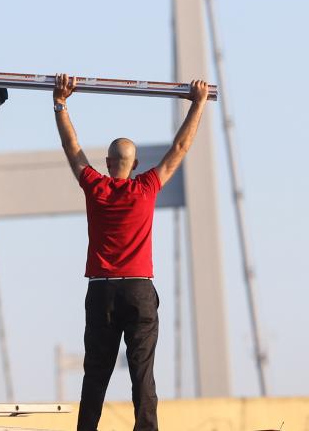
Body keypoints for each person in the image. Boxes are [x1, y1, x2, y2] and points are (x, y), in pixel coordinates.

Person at [52, 73, 211, 431]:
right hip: (139, 290)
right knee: (143, 374)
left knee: (95, 373)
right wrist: (197, 103)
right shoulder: (147, 186)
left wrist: (61, 103)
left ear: (107, 164)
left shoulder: (95, 186)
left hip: (102, 290)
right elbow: (180, 149)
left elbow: (71, 147)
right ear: (135, 165)